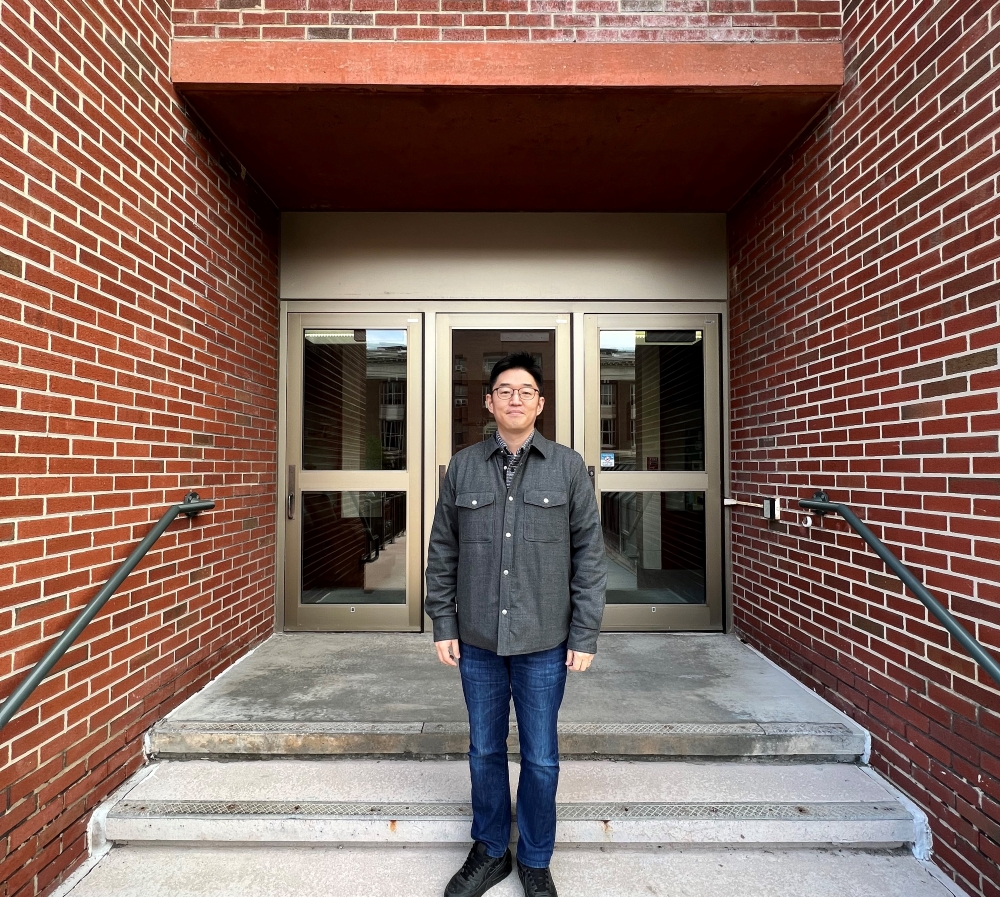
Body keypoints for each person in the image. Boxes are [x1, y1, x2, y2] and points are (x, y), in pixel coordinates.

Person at [426, 352, 607, 897]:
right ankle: (488, 850)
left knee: (541, 754)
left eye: (526, 391)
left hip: (544, 640)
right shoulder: (462, 467)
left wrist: (584, 633)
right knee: (483, 749)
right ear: (488, 402)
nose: (515, 399)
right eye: (504, 390)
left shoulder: (569, 467)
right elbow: (442, 551)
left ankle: (533, 856)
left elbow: (589, 557)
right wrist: (442, 622)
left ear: (540, 403)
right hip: (477, 637)